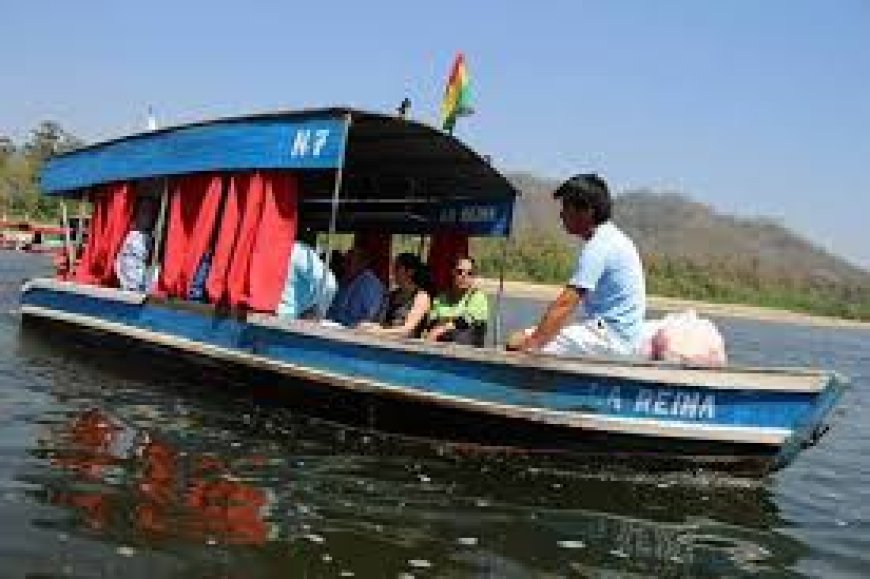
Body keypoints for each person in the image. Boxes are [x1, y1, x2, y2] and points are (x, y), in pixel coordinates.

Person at [507, 173, 646, 357]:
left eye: (566, 207)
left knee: (520, 345)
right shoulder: (610, 238)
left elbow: (565, 304)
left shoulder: (600, 245)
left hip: (612, 338)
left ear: (587, 211)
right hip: (607, 332)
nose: (561, 214)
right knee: (515, 339)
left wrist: (531, 347)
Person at [359, 252, 431, 338]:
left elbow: (407, 331)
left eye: (397, 268)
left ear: (410, 272)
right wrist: (366, 326)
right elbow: (378, 321)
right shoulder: (391, 295)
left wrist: (378, 332)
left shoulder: (421, 297)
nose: (392, 273)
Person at [423, 256, 489, 346]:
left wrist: (442, 328)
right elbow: (432, 322)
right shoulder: (441, 298)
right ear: (452, 272)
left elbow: (465, 321)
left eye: (469, 273)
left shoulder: (478, 297)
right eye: (460, 272)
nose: (464, 276)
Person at [276, 240, 337, 319]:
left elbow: (329, 284)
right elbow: (329, 284)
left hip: (286, 318)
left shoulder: (298, 251)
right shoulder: (298, 250)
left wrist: (316, 312)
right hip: (273, 316)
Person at [326, 245, 385, 326]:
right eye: (344, 261)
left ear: (362, 264)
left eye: (349, 262)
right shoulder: (344, 281)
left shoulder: (369, 285)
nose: (344, 265)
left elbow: (370, 319)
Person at [115, 196, 157, 292]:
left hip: (140, 282)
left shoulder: (150, 239)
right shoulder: (128, 235)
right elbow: (121, 258)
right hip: (128, 281)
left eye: (151, 213)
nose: (148, 217)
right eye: (144, 212)